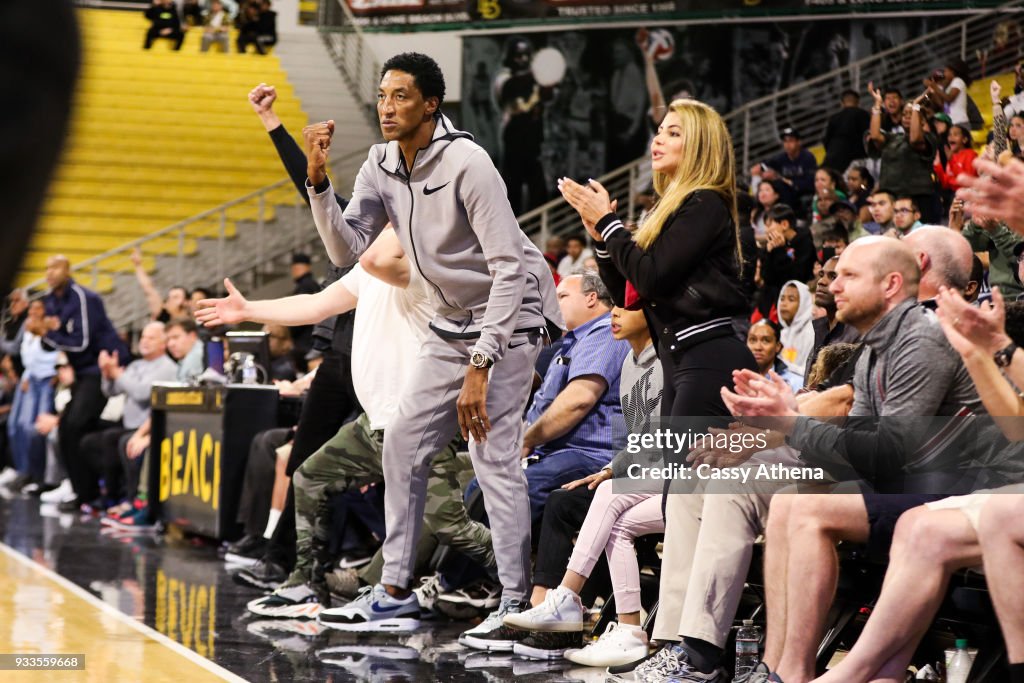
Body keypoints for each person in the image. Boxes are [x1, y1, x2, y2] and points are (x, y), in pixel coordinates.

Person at [302, 53, 563, 642]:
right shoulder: (380, 162)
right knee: (402, 442)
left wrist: (482, 362)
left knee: (493, 456)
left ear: (430, 104)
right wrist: (318, 182)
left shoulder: (469, 162)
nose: (386, 107)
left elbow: (509, 269)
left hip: (512, 316)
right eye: (382, 96)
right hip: (451, 320)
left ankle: (514, 601)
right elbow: (346, 250)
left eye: (400, 96)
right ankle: (395, 590)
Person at [721, 236, 983, 683]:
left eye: (849, 275)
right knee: (787, 501)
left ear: (891, 284)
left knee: (809, 511)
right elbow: (859, 448)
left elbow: (888, 454)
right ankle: (774, 666)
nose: (833, 285)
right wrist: (782, 424)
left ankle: (794, 672)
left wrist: (790, 424)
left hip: (956, 491)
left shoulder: (922, 338)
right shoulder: (875, 347)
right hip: (908, 483)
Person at [560, 97, 756, 422]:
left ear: (699, 147)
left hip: (707, 355)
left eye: (674, 133)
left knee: (685, 458)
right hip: (677, 358)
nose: (658, 139)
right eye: (660, 130)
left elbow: (651, 277)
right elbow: (629, 296)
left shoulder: (706, 203)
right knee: (672, 458)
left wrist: (609, 222)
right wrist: (602, 241)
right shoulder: (669, 210)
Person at [499, 305, 662, 666]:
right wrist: (613, 467)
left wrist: (614, 469)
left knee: (602, 495)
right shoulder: (631, 362)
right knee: (565, 500)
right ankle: (560, 613)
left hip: (678, 473)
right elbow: (637, 438)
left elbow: (665, 438)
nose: (614, 314)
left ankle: (567, 599)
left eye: (626, 307)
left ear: (650, 314)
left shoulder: (667, 362)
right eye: (614, 306)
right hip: (637, 469)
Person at [30, 255, 126, 509]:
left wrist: (47, 333)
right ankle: (80, 488)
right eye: (47, 268)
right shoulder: (51, 300)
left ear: (67, 270)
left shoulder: (83, 298)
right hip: (82, 372)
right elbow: (52, 342)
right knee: (67, 428)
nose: (49, 273)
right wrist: (46, 334)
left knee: (74, 425)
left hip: (101, 368)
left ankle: (89, 492)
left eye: (55, 267)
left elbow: (81, 342)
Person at [75, 322, 178, 511]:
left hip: (146, 427)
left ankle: (121, 497)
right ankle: (112, 490)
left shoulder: (167, 367)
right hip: (128, 425)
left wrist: (118, 375)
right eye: (144, 337)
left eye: (151, 338)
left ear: (163, 343)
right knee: (88, 442)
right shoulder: (136, 365)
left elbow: (141, 392)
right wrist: (107, 374)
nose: (145, 341)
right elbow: (111, 391)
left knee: (114, 440)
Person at [866, 82, 941, 224]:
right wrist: (878, 104)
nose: (907, 116)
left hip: (919, 199)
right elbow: (875, 136)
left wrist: (916, 107)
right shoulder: (893, 138)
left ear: (922, 120)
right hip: (894, 198)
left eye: (911, 114)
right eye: (905, 114)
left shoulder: (928, 138)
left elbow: (915, 139)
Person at [5, 300, 58, 491]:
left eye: (38, 308)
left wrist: (56, 374)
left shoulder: (52, 325)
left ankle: (38, 474)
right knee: (17, 425)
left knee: (35, 428)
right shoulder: (28, 327)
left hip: (46, 379)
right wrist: (26, 376)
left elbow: (57, 353)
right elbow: (28, 357)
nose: (33, 311)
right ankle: (23, 470)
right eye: (32, 308)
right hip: (32, 378)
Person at [803, 256, 860, 379]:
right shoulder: (821, 329)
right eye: (821, 275)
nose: (821, 281)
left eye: (833, 277)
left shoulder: (858, 334)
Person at [760, 204, 816, 318]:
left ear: (784, 224)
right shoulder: (773, 245)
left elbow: (796, 277)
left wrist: (780, 251)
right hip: (774, 301)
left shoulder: (805, 244)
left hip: (799, 304)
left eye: (769, 225)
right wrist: (769, 253)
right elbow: (767, 278)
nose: (766, 230)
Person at [750, 127, 818, 213]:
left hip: (802, 191)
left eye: (791, 141)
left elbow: (810, 182)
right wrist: (761, 171)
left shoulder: (807, 157)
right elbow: (762, 166)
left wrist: (783, 180)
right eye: (785, 141)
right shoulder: (781, 158)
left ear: (798, 142)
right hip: (786, 191)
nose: (787, 144)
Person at [822, 89, 871, 175]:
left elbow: (826, 141)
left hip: (832, 162)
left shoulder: (833, 118)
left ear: (842, 103)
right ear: (858, 102)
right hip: (855, 162)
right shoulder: (863, 115)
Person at [747, 319, 802, 392]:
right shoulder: (735, 377)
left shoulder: (795, 383)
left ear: (778, 346)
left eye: (766, 340)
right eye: (753, 340)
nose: (758, 347)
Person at [776, 280, 814, 381]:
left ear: (804, 303)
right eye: (782, 299)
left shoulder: (812, 333)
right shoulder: (783, 333)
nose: (784, 304)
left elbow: (810, 374)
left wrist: (781, 365)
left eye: (791, 299)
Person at [925, 59, 971, 128]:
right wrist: (933, 90)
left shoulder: (958, 81)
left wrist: (934, 86)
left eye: (946, 71)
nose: (944, 74)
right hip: (951, 122)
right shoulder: (949, 86)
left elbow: (949, 98)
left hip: (960, 121)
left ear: (952, 72)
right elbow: (942, 105)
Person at [933, 124, 978, 194]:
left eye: (955, 134)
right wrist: (938, 166)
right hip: (954, 194)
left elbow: (966, 181)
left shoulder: (971, 154)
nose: (951, 137)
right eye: (949, 134)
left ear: (964, 140)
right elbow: (945, 184)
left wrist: (951, 161)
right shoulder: (952, 157)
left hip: (969, 194)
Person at [165, 317, 203, 381]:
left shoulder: (196, 355)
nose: (170, 344)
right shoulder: (190, 354)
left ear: (192, 336)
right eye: (168, 339)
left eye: (175, 337)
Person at [751, 179, 786, 245]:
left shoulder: (782, 212)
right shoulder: (754, 213)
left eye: (767, 190)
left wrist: (754, 238)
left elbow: (778, 236)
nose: (763, 193)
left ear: (776, 195)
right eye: (760, 190)